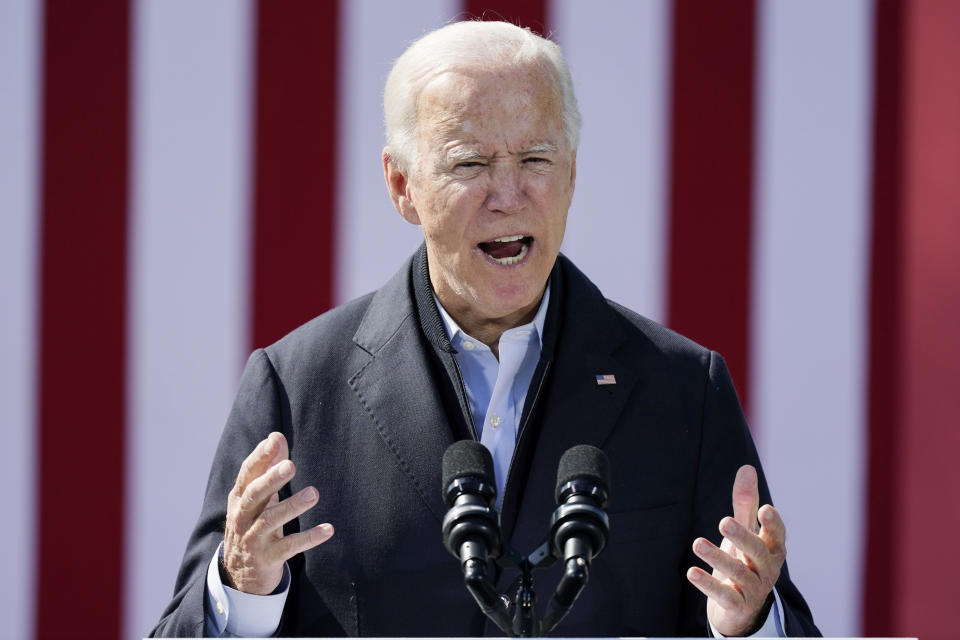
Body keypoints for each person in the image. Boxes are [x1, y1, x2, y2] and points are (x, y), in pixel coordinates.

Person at [153, 20, 819, 638]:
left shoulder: (683, 388)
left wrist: (749, 622)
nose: (508, 195)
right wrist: (243, 589)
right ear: (402, 185)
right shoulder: (298, 386)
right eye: (470, 164)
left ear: (572, 174)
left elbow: (769, 615)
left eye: (535, 159)